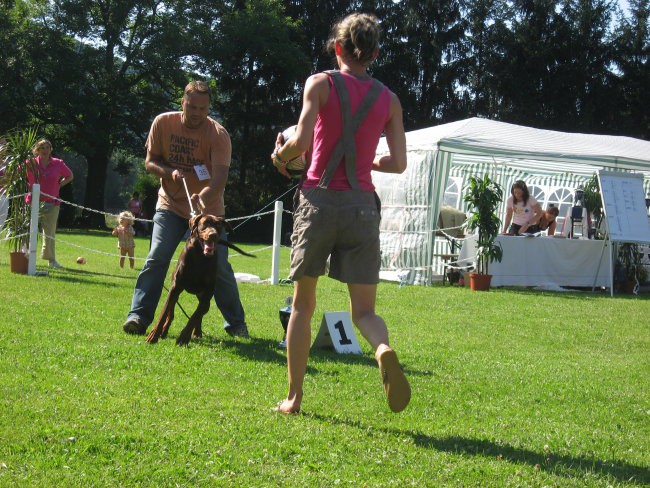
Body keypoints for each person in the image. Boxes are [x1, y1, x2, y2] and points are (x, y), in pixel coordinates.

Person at [271, 13, 410, 414]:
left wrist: (281, 156)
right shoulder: (390, 100)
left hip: (319, 201)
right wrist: (367, 162)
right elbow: (399, 163)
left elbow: (300, 140)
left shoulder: (320, 83)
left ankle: (294, 398)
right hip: (362, 207)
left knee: (302, 305)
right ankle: (382, 348)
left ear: (337, 47)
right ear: (375, 53)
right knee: (364, 311)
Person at [121, 80, 249, 338]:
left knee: (221, 266)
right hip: (169, 205)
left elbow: (219, 179)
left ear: (208, 107)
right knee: (157, 257)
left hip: (208, 213)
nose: (196, 113)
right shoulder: (163, 123)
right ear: (182, 102)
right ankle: (138, 316)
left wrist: (204, 195)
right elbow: (150, 162)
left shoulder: (218, 134)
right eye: (192, 107)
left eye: (202, 109)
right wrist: (170, 172)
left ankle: (236, 325)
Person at [26, 139, 74, 268]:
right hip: (33, 202)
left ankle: (51, 260)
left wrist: (60, 185)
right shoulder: (30, 163)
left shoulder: (58, 163)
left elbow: (70, 175)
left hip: (52, 203)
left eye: (48, 147)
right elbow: (16, 174)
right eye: (42, 148)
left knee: (49, 233)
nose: (45, 150)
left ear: (51, 149)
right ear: (37, 150)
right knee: (29, 230)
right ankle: (26, 257)